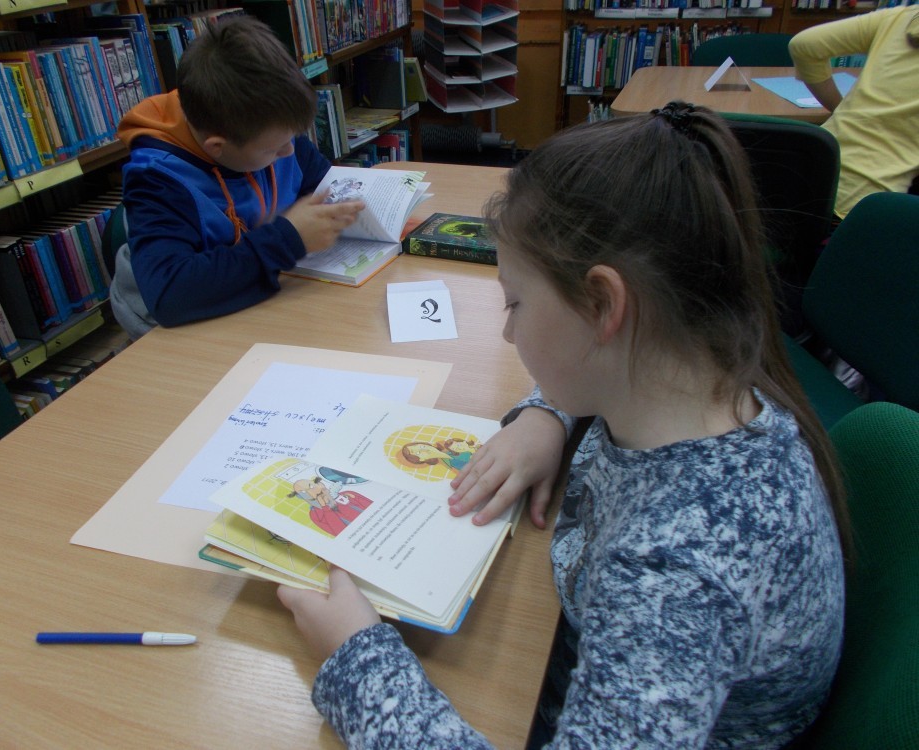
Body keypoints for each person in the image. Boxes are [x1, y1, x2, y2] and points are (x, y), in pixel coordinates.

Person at [276, 103, 851, 748]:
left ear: (603, 304)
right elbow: (601, 360)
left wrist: (356, 657)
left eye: (516, 303)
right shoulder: (701, 366)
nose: (507, 331)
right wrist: (546, 413)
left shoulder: (674, 570)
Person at [109, 16, 364, 340]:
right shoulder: (158, 181)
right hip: (180, 327)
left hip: (263, 297)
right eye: (274, 149)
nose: (290, 151)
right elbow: (170, 295)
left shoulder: (265, 125)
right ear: (218, 146)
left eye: (293, 137)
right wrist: (289, 238)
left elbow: (320, 184)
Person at [789, 6, 919, 219]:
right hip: (862, 204)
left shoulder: (901, 18)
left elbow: (805, 45)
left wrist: (842, 110)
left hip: (808, 172)